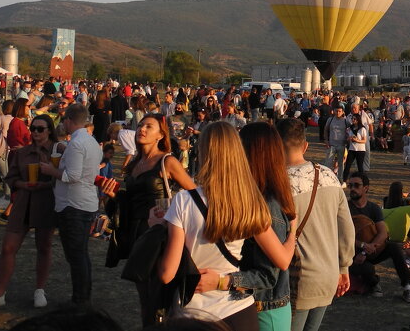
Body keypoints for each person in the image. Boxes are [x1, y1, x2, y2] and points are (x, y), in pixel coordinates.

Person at [156, 122, 272, 331]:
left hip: (194, 311)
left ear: (203, 153)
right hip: (238, 309)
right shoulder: (250, 200)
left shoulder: (183, 200)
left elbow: (166, 273)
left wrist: (156, 227)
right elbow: (277, 257)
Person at [110, 113, 196, 325]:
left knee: (159, 298)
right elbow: (130, 201)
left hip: (158, 235)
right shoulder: (134, 164)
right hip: (135, 233)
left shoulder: (167, 161)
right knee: (144, 298)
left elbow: (194, 194)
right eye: (140, 125)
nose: (142, 129)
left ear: (160, 135)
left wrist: (173, 214)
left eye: (149, 126)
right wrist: (111, 196)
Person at [0, 113, 59, 311]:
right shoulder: (22, 153)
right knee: (8, 248)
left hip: (46, 202)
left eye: (40, 129)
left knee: (44, 246)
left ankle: (40, 290)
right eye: (34, 128)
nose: (36, 132)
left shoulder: (57, 151)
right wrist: (22, 184)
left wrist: (45, 183)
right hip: (23, 202)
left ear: (49, 131)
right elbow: (10, 178)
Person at [277, 118, 354, 331]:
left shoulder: (279, 184)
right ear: (305, 146)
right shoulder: (328, 175)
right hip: (329, 275)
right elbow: (347, 228)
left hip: (298, 278)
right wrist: (344, 266)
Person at [234, 122, 301, 331]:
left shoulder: (266, 202)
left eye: (239, 147)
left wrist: (223, 281)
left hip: (265, 309)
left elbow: (268, 275)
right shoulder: (258, 195)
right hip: (258, 308)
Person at [38, 102, 101, 305]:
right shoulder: (90, 141)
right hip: (86, 202)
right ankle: (83, 296)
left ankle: (80, 299)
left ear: (68, 121)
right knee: (81, 254)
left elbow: (72, 176)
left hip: (73, 205)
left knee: (76, 256)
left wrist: (50, 171)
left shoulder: (76, 143)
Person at [345, 172, 410, 303]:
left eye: (356, 185)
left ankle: (407, 286)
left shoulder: (374, 208)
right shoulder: (345, 208)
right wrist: (361, 246)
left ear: (366, 188)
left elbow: (383, 233)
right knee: (367, 269)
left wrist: (367, 249)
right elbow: (341, 236)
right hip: (352, 252)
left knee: (394, 247)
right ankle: (373, 284)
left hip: (370, 249)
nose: (352, 189)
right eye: (350, 185)